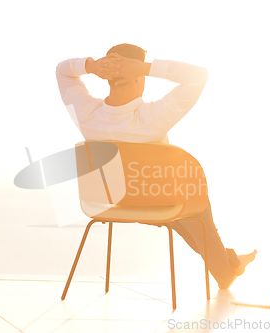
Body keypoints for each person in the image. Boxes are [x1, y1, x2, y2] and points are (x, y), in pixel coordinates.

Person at [56, 43, 256, 289]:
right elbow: (198, 75)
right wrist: (146, 68)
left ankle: (230, 262)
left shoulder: (86, 115)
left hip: (111, 203)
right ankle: (227, 269)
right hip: (157, 203)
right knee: (192, 205)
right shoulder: (153, 118)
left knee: (183, 218)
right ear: (139, 77)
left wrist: (92, 66)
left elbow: (63, 70)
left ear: (106, 77)